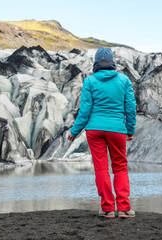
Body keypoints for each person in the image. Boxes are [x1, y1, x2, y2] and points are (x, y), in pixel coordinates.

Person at [67, 47, 136, 218]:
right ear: (112, 62)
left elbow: (85, 111)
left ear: (96, 63)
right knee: (120, 167)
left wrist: (74, 131)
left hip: (95, 130)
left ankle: (107, 208)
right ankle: (123, 208)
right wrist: (130, 129)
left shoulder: (90, 81)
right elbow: (131, 107)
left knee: (101, 168)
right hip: (117, 130)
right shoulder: (124, 80)